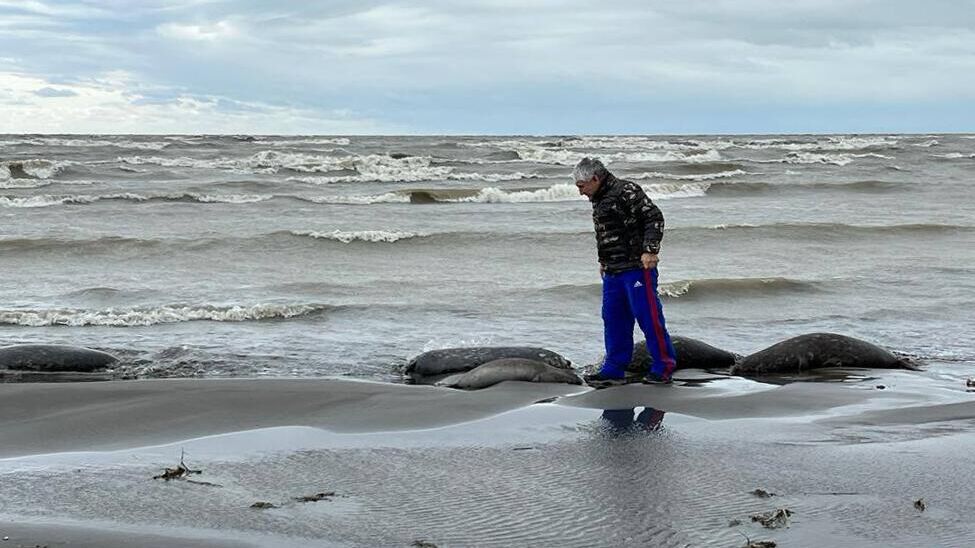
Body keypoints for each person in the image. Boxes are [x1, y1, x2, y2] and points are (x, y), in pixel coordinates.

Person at [574, 157, 677, 387]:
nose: (581, 192)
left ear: (595, 178)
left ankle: (664, 366)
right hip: (612, 270)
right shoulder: (597, 198)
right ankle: (613, 368)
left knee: (648, 318)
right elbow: (606, 233)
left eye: (581, 186)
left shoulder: (626, 190)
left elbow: (654, 217)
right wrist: (603, 261)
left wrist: (650, 250)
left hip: (637, 268)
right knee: (613, 319)